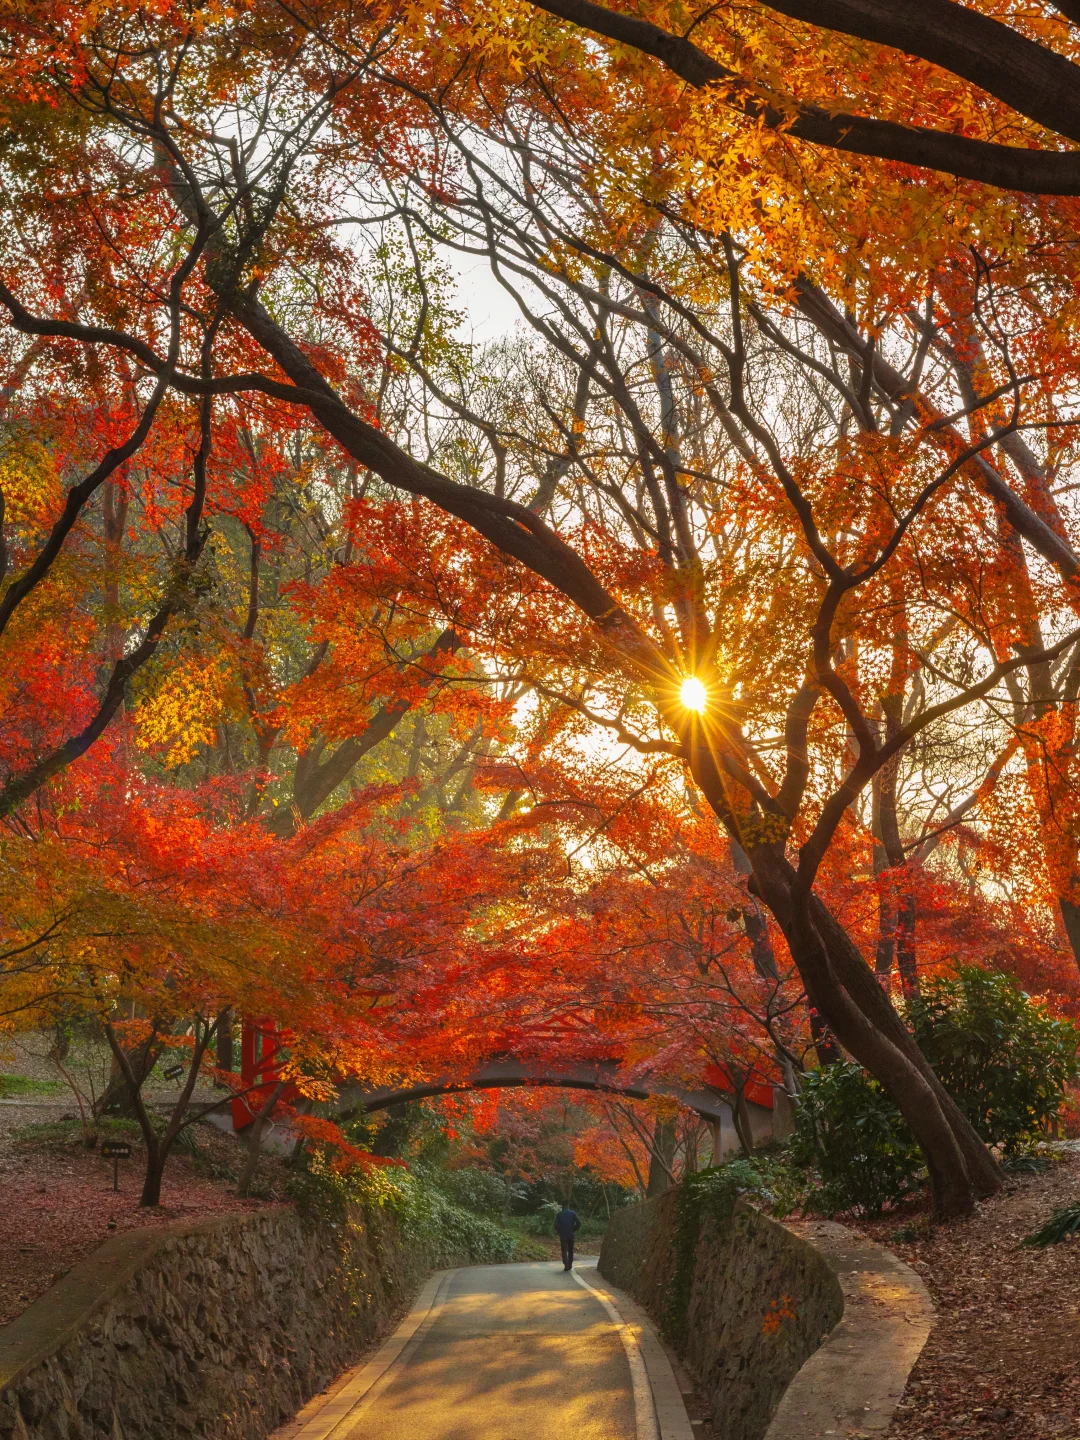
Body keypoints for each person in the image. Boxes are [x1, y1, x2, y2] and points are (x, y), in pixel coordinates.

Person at [554, 1204, 581, 1271]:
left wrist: (559, 1230)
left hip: (563, 1234)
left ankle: (566, 1264)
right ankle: (570, 1264)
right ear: (568, 1207)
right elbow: (579, 1223)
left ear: (562, 1207)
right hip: (571, 1234)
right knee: (570, 1250)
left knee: (564, 1250)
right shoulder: (572, 1213)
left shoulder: (559, 1214)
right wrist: (574, 1229)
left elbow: (555, 1224)